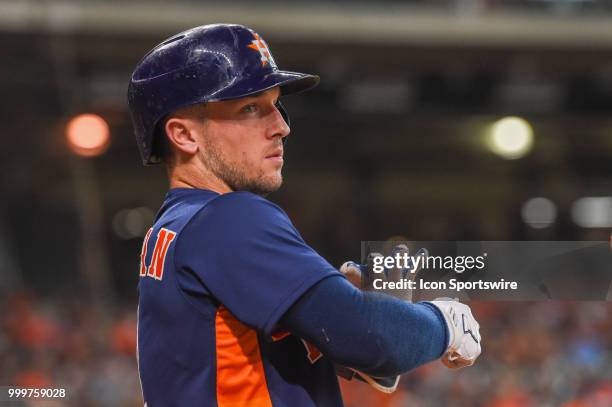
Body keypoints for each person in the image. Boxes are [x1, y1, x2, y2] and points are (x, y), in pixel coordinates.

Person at [128, 23, 482, 407]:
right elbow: (370, 337)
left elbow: (248, 361)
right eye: (250, 108)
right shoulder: (227, 217)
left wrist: (331, 327)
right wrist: (443, 322)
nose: (280, 126)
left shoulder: (177, 224)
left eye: (276, 105)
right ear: (183, 135)